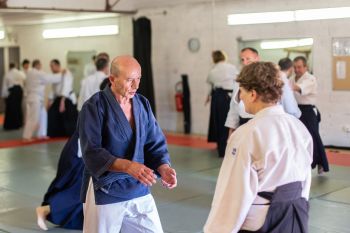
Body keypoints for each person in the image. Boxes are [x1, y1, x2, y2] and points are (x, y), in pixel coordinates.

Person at [204, 62, 313, 233]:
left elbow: (233, 194)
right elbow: (305, 179)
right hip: (297, 214)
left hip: (261, 222)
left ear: (253, 94)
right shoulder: (298, 127)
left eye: (242, 91)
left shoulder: (246, 134)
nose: (240, 97)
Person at [79, 55, 177, 233]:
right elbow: (91, 152)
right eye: (130, 80)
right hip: (106, 189)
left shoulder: (142, 104)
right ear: (112, 79)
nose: (136, 86)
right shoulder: (94, 107)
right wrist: (128, 166)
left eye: (139, 79)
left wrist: (163, 167)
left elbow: (154, 142)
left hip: (138, 187)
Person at [36, 131, 83, 230]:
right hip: (83, 151)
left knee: (83, 191)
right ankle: (47, 209)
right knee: (80, 190)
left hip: (85, 149)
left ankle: (49, 209)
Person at [290, 56, 329, 174]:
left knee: (313, 136)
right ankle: (303, 162)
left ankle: (322, 163)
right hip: (295, 110)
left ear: (306, 67)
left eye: (299, 67)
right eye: (295, 67)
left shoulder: (310, 78)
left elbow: (297, 88)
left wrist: (281, 83)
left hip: (308, 110)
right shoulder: (291, 78)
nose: (297, 69)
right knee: (298, 137)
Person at [22, 59, 65, 140]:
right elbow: (50, 78)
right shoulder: (37, 73)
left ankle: (42, 134)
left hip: (34, 98)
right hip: (35, 98)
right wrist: (61, 74)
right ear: (38, 65)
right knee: (33, 117)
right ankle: (26, 136)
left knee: (43, 115)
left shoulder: (29, 73)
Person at [206, 50, 238, 157]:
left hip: (217, 97)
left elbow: (211, 83)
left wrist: (208, 96)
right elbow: (238, 80)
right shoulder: (231, 68)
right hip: (228, 96)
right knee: (229, 123)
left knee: (219, 123)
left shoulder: (213, 70)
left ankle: (221, 149)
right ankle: (228, 149)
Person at [225, 47, 258, 137]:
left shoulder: (265, 77)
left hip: (260, 121)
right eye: (242, 59)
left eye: (248, 59)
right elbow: (234, 104)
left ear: (257, 58)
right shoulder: (239, 78)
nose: (244, 62)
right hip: (243, 121)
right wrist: (232, 128)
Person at [47, 59, 78, 137]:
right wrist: (50, 100)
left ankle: (69, 133)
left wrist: (62, 101)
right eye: (50, 66)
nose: (51, 68)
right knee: (52, 112)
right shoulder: (56, 75)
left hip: (67, 97)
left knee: (68, 116)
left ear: (57, 65)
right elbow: (53, 88)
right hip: (58, 97)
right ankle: (56, 133)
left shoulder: (66, 73)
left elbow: (66, 87)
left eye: (52, 66)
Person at [1, 62, 26, 130]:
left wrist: (4, 96)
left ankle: (11, 125)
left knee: (11, 108)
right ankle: (19, 124)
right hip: (19, 91)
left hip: (12, 91)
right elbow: (24, 80)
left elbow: (5, 86)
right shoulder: (20, 73)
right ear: (15, 66)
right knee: (18, 107)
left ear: (9, 67)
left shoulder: (7, 74)